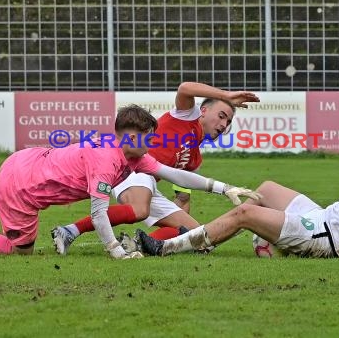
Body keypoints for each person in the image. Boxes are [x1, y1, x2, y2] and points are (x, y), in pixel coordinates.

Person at [0, 104, 261, 259]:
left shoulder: (131, 152)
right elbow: (100, 214)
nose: (151, 143)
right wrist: (115, 251)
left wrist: (222, 188)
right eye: (148, 137)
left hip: (23, 162)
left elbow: (171, 173)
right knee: (19, 250)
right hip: (24, 185)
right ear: (131, 136)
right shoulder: (106, 161)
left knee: (0, 201)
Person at [136, 112, 339, 260]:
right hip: (324, 218)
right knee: (265, 189)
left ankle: (171, 246)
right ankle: (212, 235)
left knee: (244, 215)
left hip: (325, 236)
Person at [50, 82, 260, 255]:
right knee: (141, 209)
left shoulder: (195, 157)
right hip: (133, 167)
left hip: (150, 180)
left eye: (229, 121)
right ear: (203, 110)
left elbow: (183, 197)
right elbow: (185, 88)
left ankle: (136, 244)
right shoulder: (188, 116)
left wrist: (181, 225)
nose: (224, 124)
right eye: (222, 115)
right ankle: (70, 231)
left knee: (194, 234)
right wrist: (227, 95)